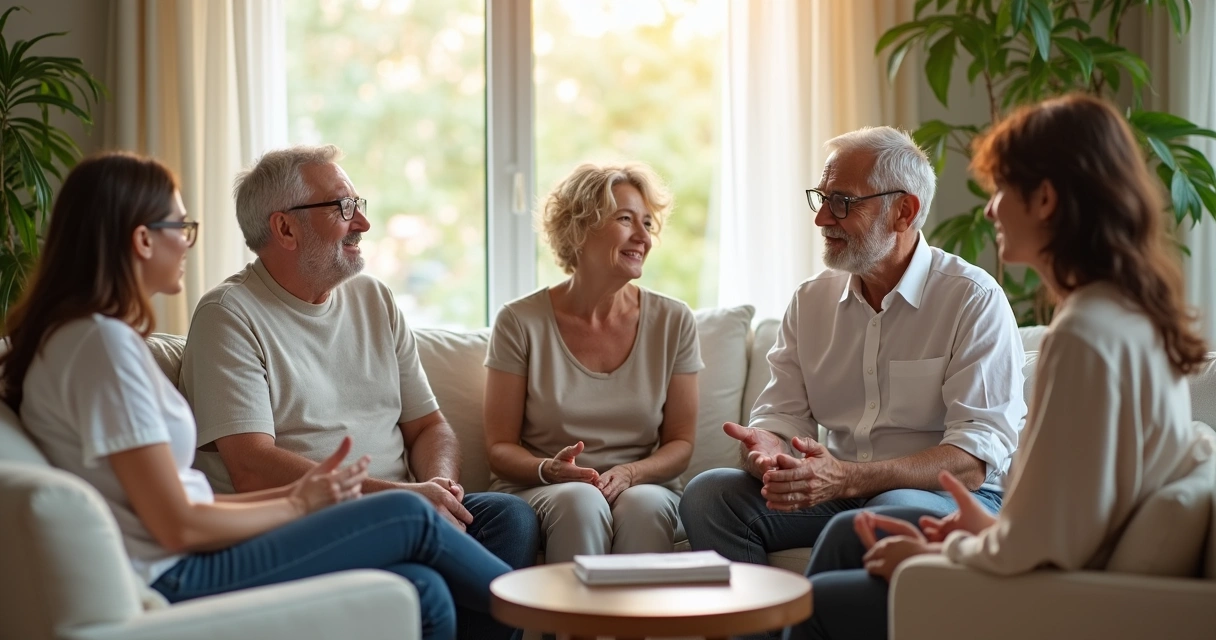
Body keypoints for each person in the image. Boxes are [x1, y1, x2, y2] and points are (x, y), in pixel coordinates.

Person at [2, 152, 516, 640]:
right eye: (180, 228)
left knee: (425, 587)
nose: (187, 244)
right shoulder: (101, 346)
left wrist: (312, 497)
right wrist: (299, 503)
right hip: (174, 574)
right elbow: (177, 523)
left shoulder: (82, 338)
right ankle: (545, 607)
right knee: (407, 515)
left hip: (183, 557)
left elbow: (177, 505)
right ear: (141, 240)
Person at [787, 93, 1216, 640]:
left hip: (1061, 604)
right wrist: (975, 531)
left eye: (1001, 190)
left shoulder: (1083, 335)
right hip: (1068, 577)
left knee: (815, 601)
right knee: (854, 536)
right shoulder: (1127, 313)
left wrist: (947, 552)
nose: (990, 210)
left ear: (1043, 199)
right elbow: (1065, 523)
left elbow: (1041, 546)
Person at [177, 145, 537, 640]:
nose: (363, 223)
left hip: (405, 511)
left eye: (358, 204)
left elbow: (429, 426)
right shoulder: (229, 314)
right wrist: (407, 500)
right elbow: (252, 467)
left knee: (511, 518)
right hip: (308, 529)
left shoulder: (374, 298)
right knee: (423, 580)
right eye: (342, 207)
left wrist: (442, 492)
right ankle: (548, 610)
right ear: (284, 228)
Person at [679, 125, 1027, 581]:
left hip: (943, 496)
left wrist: (849, 478)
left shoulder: (971, 298)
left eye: (841, 201)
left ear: (904, 212)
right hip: (839, 489)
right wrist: (768, 448)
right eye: (820, 198)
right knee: (709, 496)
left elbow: (973, 458)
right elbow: (780, 417)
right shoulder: (811, 301)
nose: (823, 218)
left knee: (881, 514)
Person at [483, 162, 702, 563]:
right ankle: (574, 626)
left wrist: (631, 474)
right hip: (543, 487)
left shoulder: (674, 320)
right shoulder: (519, 321)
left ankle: (634, 627)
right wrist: (549, 468)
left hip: (643, 485)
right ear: (579, 228)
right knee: (581, 502)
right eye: (625, 219)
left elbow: (681, 443)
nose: (643, 237)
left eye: (648, 223)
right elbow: (499, 447)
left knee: (645, 507)